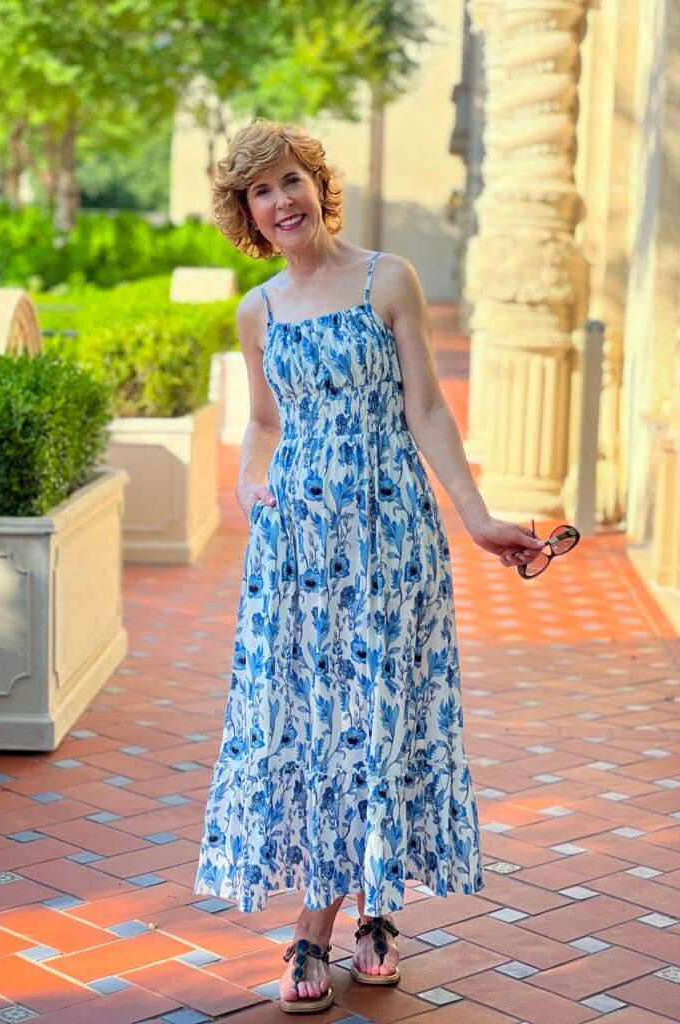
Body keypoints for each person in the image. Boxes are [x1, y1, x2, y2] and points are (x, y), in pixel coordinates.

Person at [194, 117, 545, 1014]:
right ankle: (366, 917)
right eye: (260, 191)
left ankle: (326, 930)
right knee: (317, 729)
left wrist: (477, 519)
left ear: (319, 183)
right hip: (298, 555)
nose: (281, 201)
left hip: (389, 541)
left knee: (377, 717)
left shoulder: (389, 278)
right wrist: (247, 483)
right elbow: (267, 422)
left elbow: (426, 408)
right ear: (247, 212)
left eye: (291, 180)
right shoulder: (258, 310)